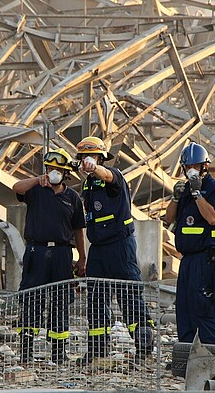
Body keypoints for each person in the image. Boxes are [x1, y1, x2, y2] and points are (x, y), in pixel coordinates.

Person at [75, 136, 154, 365]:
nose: (86, 161)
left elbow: (107, 176)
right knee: (97, 301)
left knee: (130, 298)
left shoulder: (114, 176)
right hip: (98, 250)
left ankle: (144, 348)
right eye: (83, 158)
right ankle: (97, 351)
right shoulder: (87, 184)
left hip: (120, 247)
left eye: (91, 157)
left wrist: (96, 167)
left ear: (100, 158)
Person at [12, 148, 87, 364]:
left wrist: (82, 258)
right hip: (37, 251)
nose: (52, 172)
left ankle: (58, 352)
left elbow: (79, 230)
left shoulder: (72, 197)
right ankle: (26, 351)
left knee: (60, 301)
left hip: (62, 253)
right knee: (31, 300)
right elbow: (16, 188)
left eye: (57, 169)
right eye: (49, 168)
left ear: (65, 173)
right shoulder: (36, 191)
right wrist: (37, 179)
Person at [165, 142, 215, 345]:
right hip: (187, 259)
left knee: (204, 310)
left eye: (196, 166)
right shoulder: (185, 191)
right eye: (188, 167)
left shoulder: (214, 189)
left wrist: (197, 194)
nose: (191, 170)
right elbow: (169, 218)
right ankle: (186, 357)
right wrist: (176, 197)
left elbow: (212, 218)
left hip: (206, 259)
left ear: (204, 167)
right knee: (184, 309)